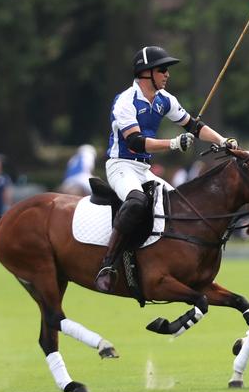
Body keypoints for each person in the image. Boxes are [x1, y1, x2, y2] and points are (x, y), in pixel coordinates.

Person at [95, 45, 238, 292]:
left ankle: (166, 263)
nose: (167, 74)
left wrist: (223, 141)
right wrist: (173, 143)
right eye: (163, 70)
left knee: (180, 205)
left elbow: (194, 126)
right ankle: (107, 265)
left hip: (143, 169)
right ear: (146, 73)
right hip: (121, 166)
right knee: (137, 201)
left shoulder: (165, 100)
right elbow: (135, 142)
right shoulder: (125, 101)